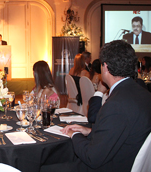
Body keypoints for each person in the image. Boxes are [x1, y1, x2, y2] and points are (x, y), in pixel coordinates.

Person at [56, 40, 151, 172]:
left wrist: (73, 134)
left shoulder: (116, 104)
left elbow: (92, 158)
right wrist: (90, 131)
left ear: (105, 67)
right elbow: (123, 131)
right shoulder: (143, 93)